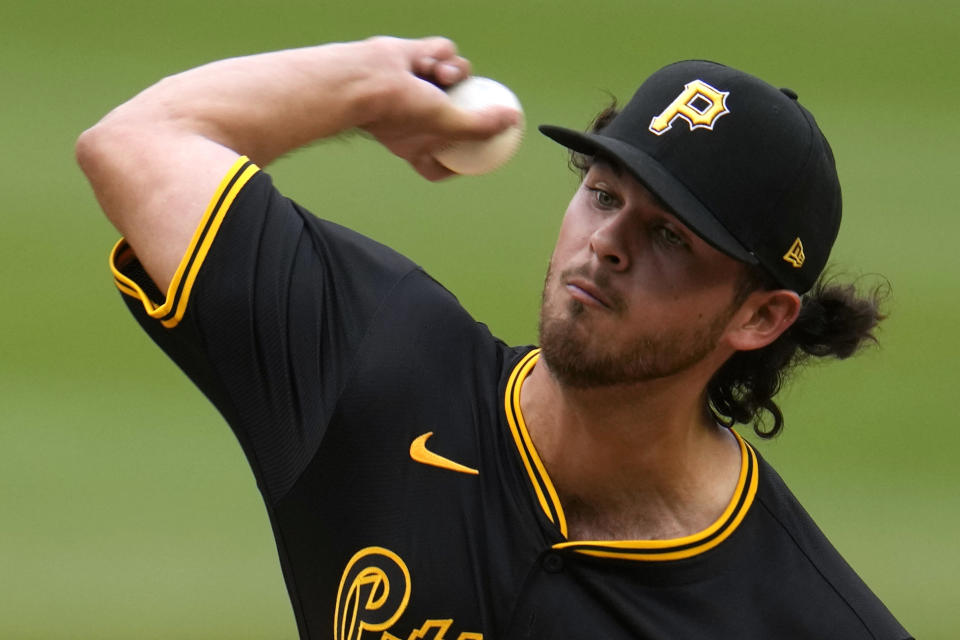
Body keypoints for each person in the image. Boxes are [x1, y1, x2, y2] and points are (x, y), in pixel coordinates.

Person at [77, 36, 911, 639]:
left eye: (670, 239)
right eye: (604, 193)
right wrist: (365, 87)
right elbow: (137, 143)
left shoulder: (804, 616)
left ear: (760, 316)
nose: (607, 243)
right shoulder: (374, 362)